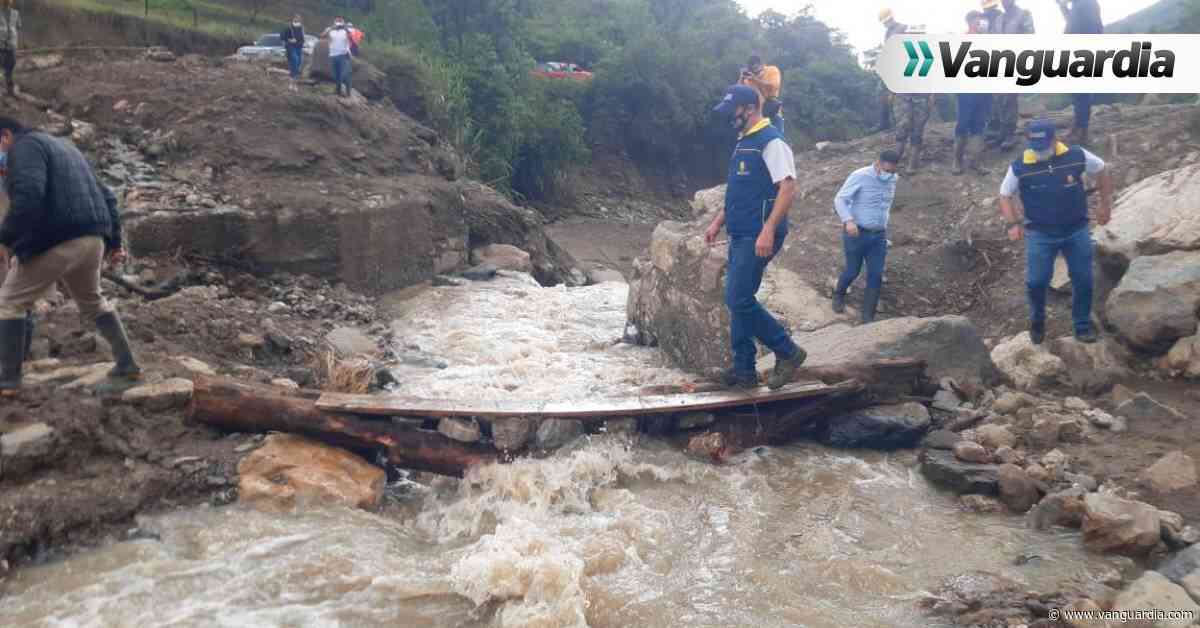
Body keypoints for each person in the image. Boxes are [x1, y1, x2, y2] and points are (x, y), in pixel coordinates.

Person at [0, 116, 141, 395]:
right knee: (93, 302)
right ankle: (127, 364)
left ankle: (8, 381)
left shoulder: (24, 148)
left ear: (5, 135)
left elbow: (29, 196)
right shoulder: (66, 148)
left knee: (9, 304)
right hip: (92, 239)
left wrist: (4, 237)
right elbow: (107, 195)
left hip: (59, 240)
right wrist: (114, 241)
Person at [706, 85, 807, 390]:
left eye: (732, 112)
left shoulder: (772, 142)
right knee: (739, 300)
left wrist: (768, 228)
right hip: (739, 231)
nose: (729, 119)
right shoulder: (744, 142)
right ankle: (744, 370)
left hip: (758, 233)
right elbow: (739, 190)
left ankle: (788, 351)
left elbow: (788, 188)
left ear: (749, 109)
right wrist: (717, 221)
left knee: (737, 297)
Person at [998, 119, 1114, 345]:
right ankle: (1038, 321)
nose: (1037, 150)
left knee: (1083, 279)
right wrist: (1012, 224)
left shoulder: (1076, 155)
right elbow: (1004, 194)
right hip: (1040, 234)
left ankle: (1082, 325)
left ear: (1054, 139)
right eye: (1033, 145)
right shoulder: (1020, 165)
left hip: (1076, 229)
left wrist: (1104, 205)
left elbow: (1101, 169)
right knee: (1036, 282)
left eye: (1042, 145)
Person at [831, 151, 900, 323]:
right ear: (878, 163)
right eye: (886, 170)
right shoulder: (860, 176)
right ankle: (838, 294)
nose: (888, 174)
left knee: (875, 275)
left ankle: (868, 318)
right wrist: (848, 221)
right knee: (852, 270)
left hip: (878, 236)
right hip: (856, 233)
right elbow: (840, 199)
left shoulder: (893, 179)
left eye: (892, 171)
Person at [880, 9, 932, 172]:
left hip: (920, 96)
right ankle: (894, 163)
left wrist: (932, 95)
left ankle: (912, 164)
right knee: (902, 129)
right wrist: (891, 91)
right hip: (903, 95)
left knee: (917, 130)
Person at [984, 0, 1035, 149]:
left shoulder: (1024, 15)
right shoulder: (1000, 19)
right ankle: (1002, 132)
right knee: (999, 99)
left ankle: (1010, 134)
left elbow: (1030, 37)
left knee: (1009, 99)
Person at [1059, 0, 1103, 145]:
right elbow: (1073, 23)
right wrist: (1063, 7)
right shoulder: (1078, 4)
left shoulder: (1086, 3)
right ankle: (1078, 126)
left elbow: (1091, 30)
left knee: (1082, 94)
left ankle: (1082, 132)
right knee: (1077, 94)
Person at [954, 11, 992, 175]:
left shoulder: (988, 41)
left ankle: (976, 162)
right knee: (963, 124)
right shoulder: (962, 40)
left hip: (984, 90)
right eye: (979, 21)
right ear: (970, 22)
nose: (982, 23)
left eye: (983, 21)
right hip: (967, 90)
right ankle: (957, 161)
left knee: (979, 125)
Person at [739, 55, 784, 135]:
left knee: (777, 138)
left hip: (772, 111)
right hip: (756, 116)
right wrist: (741, 78)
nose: (755, 68)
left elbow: (774, 86)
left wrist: (756, 80)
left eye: (757, 65)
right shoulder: (748, 79)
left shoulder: (772, 70)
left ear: (762, 64)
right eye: (753, 66)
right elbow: (738, 93)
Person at [321, 17, 353, 97]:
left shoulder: (346, 31)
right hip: (333, 54)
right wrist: (331, 28)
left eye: (340, 21)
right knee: (335, 74)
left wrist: (345, 28)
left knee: (344, 74)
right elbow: (322, 36)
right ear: (334, 22)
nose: (338, 23)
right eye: (337, 21)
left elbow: (351, 38)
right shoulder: (330, 30)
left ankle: (348, 91)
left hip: (343, 54)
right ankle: (338, 90)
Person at [0, 0, 20, 99]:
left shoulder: (15, 13)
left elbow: (18, 26)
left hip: (11, 45)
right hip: (1, 45)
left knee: (10, 66)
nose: (6, 2)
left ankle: (9, 89)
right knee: (1, 66)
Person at [281, 14, 305, 92]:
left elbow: (302, 38)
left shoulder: (301, 28)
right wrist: (289, 40)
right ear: (293, 18)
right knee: (295, 60)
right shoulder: (288, 27)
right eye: (295, 18)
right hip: (291, 47)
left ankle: (294, 83)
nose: (297, 19)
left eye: (298, 18)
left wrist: (303, 42)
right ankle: (291, 84)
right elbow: (282, 36)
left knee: (297, 64)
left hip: (299, 47)